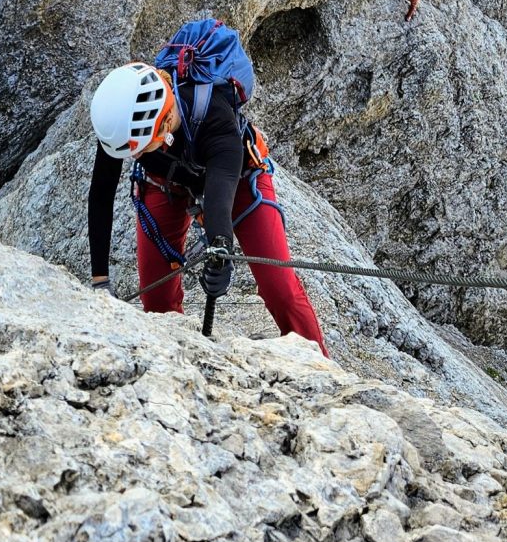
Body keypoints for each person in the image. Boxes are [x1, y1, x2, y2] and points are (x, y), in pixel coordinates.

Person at [87, 18, 328, 355]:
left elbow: (221, 187)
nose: (139, 155)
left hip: (241, 176)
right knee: (155, 299)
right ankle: (171, 366)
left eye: (145, 148)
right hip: (166, 183)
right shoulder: (120, 117)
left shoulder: (215, 116)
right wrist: (100, 280)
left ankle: (321, 367)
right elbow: (101, 194)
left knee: (279, 287)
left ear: (163, 126)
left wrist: (219, 249)